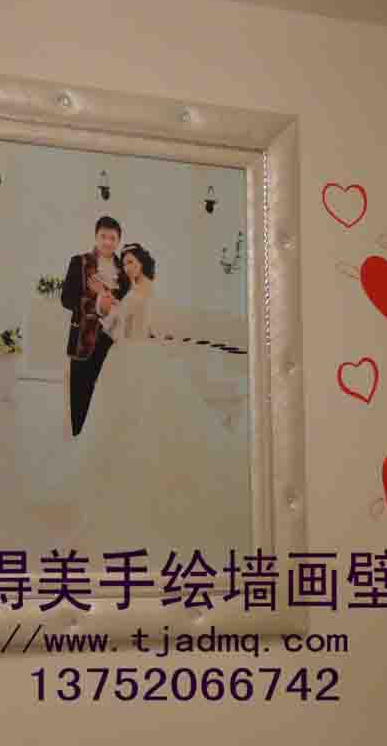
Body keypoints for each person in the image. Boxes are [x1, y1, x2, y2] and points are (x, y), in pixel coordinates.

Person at [40, 242, 251, 561]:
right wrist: (108, 303)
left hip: (134, 355)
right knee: (120, 420)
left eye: (132, 261)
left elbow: (118, 325)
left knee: (136, 419)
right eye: (125, 262)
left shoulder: (143, 288)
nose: (128, 267)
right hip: (128, 354)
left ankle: (137, 485)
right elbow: (118, 324)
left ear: (142, 263)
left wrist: (106, 300)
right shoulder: (137, 289)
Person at [59, 216, 129, 436]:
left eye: (112, 238)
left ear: (118, 241)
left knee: (106, 393)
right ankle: (77, 436)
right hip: (83, 337)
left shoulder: (125, 272)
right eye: (103, 236)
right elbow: (67, 298)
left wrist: (107, 298)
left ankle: (98, 440)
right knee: (79, 391)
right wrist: (97, 303)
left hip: (112, 340)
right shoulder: (79, 262)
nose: (107, 242)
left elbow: (126, 306)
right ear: (96, 237)